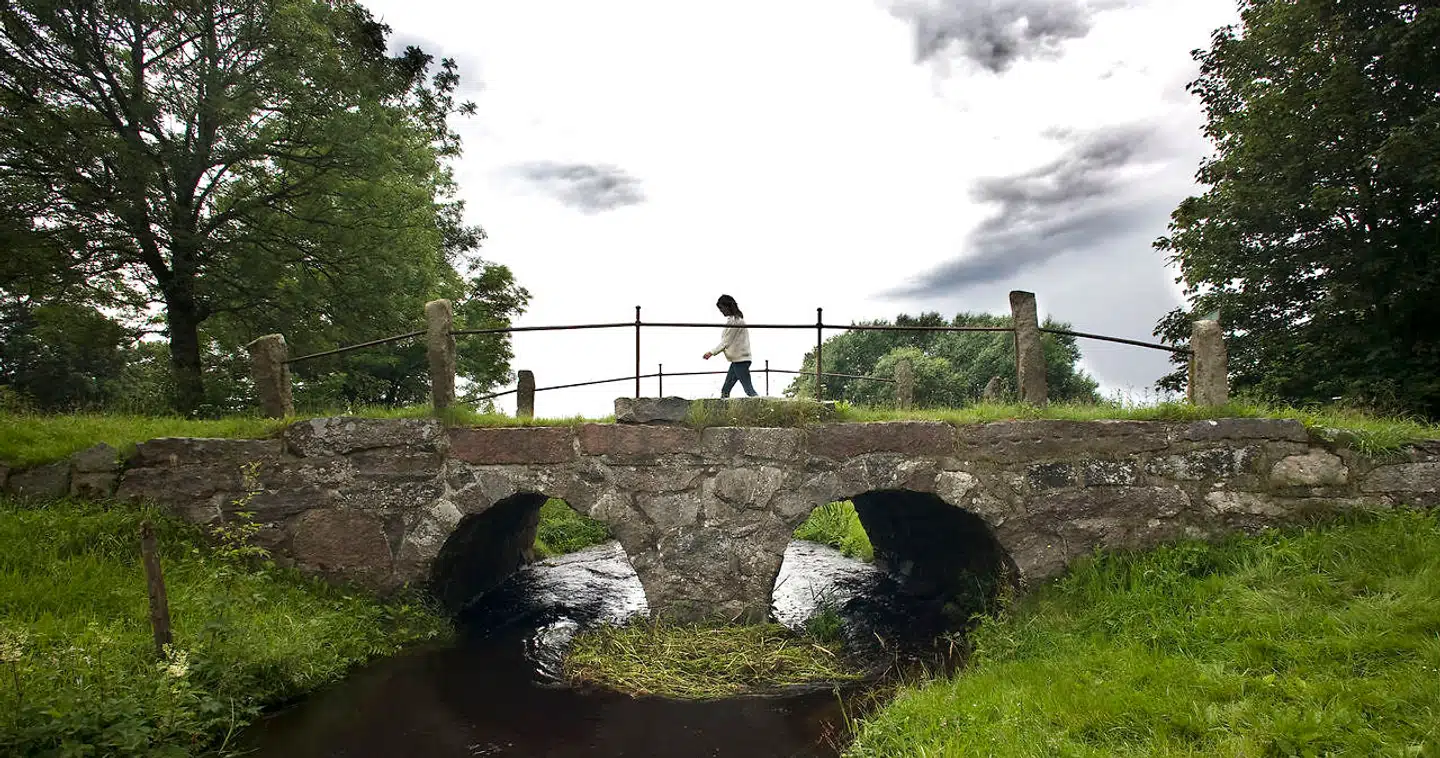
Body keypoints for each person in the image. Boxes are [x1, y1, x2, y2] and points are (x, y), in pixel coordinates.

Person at [702, 294, 758, 397]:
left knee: (749, 390)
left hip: (741, 361)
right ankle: (724, 412)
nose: (721, 311)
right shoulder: (734, 320)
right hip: (738, 360)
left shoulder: (735, 321)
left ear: (728, 307)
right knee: (725, 390)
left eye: (722, 308)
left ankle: (762, 407)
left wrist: (711, 352)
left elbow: (726, 342)